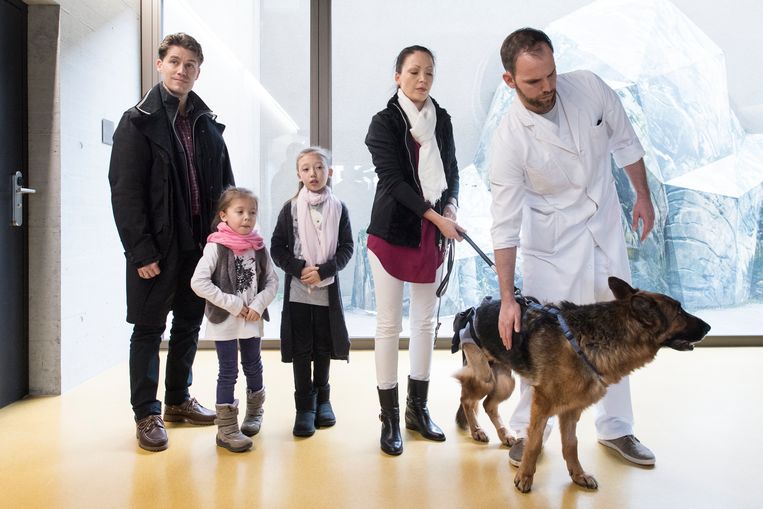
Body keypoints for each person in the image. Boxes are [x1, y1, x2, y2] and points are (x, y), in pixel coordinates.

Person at [489, 28, 657, 467]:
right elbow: (504, 226)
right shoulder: (509, 140)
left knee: (622, 330)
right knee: (546, 343)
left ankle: (617, 428)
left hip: (604, 229)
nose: (547, 88)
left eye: (550, 75)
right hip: (552, 246)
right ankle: (531, 430)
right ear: (510, 81)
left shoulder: (589, 87)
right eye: (533, 81)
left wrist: (642, 195)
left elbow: (625, 141)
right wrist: (508, 298)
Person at [109, 32, 235, 452]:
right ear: (160, 64)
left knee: (188, 324)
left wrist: (226, 242)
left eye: (191, 65)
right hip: (157, 248)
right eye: (175, 62)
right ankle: (147, 412)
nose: (182, 70)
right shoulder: (137, 122)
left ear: (199, 72)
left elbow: (227, 189)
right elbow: (125, 192)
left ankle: (179, 400)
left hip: (200, 247)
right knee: (147, 329)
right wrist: (139, 249)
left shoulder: (207, 125)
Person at [364, 45, 463, 456]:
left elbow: (452, 170)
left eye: (429, 73)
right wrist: (438, 218)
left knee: (425, 324)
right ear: (398, 76)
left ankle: (416, 411)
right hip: (392, 232)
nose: (422, 80)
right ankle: (388, 419)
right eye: (414, 72)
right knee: (389, 325)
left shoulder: (443, 119)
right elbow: (393, 182)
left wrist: (452, 206)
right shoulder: (383, 123)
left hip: (433, 232)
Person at [270, 147, 354, 438]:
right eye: (306, 169)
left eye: (319, 168)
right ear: (298, 174)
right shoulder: (290, 208)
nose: (313, 174)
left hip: (326, 289)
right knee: (302, 349)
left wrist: (325, 270)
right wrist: (298, 268)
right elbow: (277, 247)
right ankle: (304, 408)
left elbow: (347, 248)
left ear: (329, 172)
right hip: (298, 290)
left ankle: (323, 401)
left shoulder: (339, 208)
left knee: (323, 347)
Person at [190, 187, 278, 452]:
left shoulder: (259, 247)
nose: (247, 218)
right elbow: (199, 282)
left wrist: (259, 304)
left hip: (252, 319)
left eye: (252, 212)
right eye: (239, 212)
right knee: (228, 371)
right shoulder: (216, 247)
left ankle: (254, 413)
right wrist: (234, 304)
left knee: (254, 365)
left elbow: (273, 281)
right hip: (226, 321)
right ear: (223, 215)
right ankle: (226, 429)